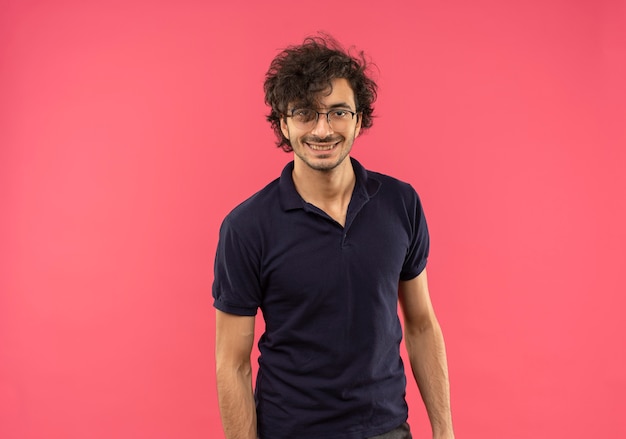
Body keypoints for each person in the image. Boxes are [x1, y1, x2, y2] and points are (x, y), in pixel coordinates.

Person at [213, 34, 454, 439]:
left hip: (388, 430)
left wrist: (444, 433)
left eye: (338, 112)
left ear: (359, 119)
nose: (322, 129)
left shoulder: (400, 203)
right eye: (305, 113)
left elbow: (422, 326)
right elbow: (232, 364)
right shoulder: (246, 226)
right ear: (283, 123)